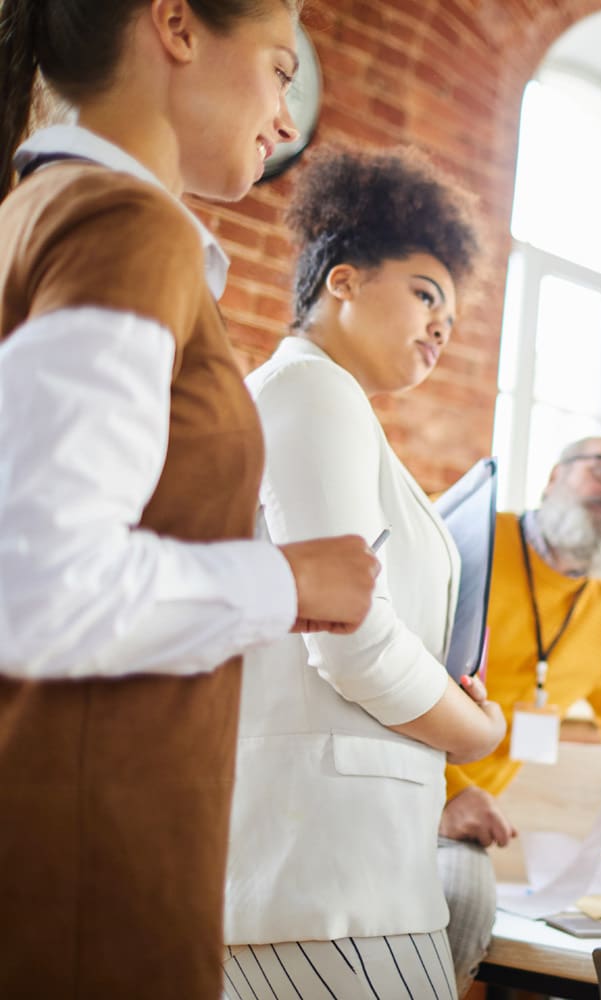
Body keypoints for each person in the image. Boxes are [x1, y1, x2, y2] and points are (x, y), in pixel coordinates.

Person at [0, 2, 381, 995]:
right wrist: (287, 576)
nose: (285, 115)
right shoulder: (123, 232)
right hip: (88, 883)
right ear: (175, 24)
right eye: (276, 66)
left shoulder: (40, 216)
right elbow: (41, 591)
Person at [221, 147, 508, 999]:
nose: (439, 328)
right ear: (341, 280)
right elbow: (348, 635)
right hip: (323, 888)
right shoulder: (314, 390)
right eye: (425, 293)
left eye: (450, 319)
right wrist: (474, 731)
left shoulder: (326, 403)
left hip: (342, 879)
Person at [438, 435, 601, 990]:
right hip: (396, 786)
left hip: (471, 825)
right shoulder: (465, 538)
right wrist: (446, 792)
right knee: (460, 906)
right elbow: (383, 669)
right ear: (553, 477)